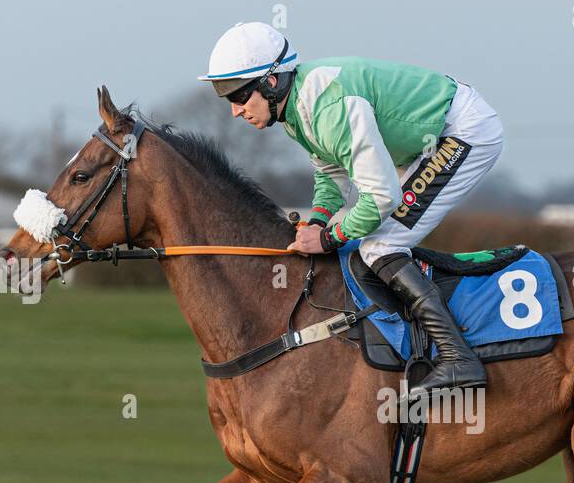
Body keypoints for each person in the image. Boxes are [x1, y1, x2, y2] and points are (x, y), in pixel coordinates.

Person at [200, 22, 505, 396]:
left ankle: (459, 358)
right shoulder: (297, 109)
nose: (235, 111)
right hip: (428, 140)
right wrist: (317, 221)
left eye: (240, 95)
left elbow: (380, 198)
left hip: (462, 132)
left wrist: (328, 239)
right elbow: (331, 173)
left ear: (273, 82)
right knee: (378, 239)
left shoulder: (327, 107)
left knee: (380, 245)